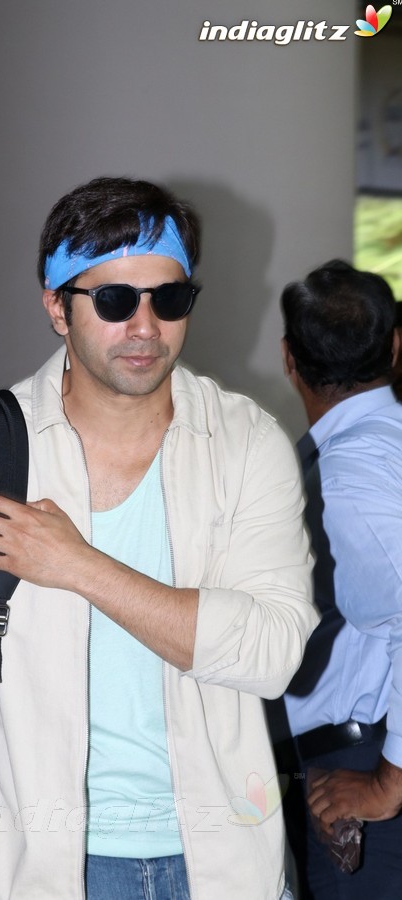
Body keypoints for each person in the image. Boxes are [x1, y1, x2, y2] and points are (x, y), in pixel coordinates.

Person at [0, 176, 316, 900]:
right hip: (43, 866)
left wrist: (78, 565)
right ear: (57, 307)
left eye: (171, 298)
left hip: (226, 864)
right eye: (117, 301)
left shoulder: (245, 443)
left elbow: (273, 654)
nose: (147, 327)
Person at [281, 259, 402, 898]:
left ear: (288, 359)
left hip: (368, 768)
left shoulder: (350, 472)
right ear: (396, 345)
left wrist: (388, 782)